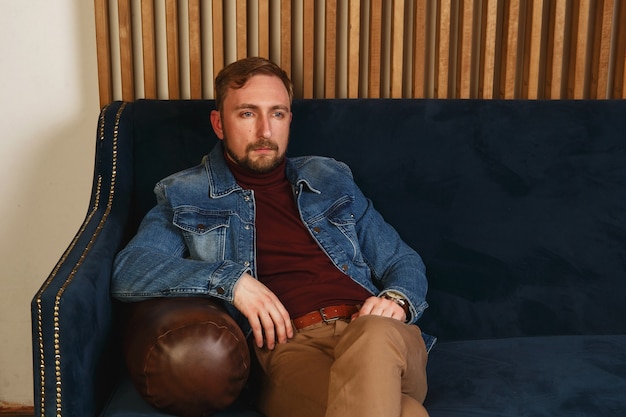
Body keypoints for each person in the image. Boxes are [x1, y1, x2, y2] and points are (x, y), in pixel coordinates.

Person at [112, 56, 432, 417]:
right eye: (248, 114)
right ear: (219, 123)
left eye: (277, 114)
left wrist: (397, 299)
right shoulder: (186, 193)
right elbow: (131, 269)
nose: (265, 130)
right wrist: (231, 283)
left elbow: (402, 260)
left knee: (375, 336)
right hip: (289, 350)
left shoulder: (329, 177)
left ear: (289, 120)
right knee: (406, 412)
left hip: (380, 336)